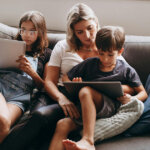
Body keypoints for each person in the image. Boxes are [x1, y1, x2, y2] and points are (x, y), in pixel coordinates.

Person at [0, 3, 144, 150]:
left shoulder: (107, 48)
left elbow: (129, 83)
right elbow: (49, 81)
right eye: (80, 32)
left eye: (90, 28)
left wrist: (123, 92)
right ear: (73, 32)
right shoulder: (63, 46)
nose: (87, 36)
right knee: (38, 117)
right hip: (58, 96)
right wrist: (61, 99)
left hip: (89, 102)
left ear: (96, 23)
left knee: (45, 120)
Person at [48, 26, 147, 150]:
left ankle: (88, 140)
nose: (105, 59)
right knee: (62, 124)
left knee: (86, 91)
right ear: (97, 49)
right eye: (101, 54)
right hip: (86, 108)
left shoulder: (126, 70)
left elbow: (143, 93)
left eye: (110, 55)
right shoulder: (90, 64)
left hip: (110, 108)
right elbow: (65, 78)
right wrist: (75, 84)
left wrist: (131, 99)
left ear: (120, 52)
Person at [0, 10, 51, 144]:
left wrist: (32, 73)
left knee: (4, 124)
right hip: (2, 87)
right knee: (2, 119)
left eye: (32, 31)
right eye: (23, 30)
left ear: (40, 31)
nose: (26, 35)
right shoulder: (9, 45)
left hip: (19, 97)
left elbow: (45, 87)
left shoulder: (47, 54)